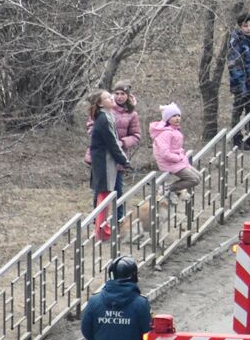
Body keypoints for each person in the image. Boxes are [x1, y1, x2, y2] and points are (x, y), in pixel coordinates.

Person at [84, 83, 141, 222]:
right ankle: (98, 221)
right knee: (101, 190)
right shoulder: (105, 113)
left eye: (123, 94)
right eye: (116, 94)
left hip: (118, 154)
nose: (119, 97)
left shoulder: (132, 114)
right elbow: (92, 124)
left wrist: (123, 142)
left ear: (128, 96)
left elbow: (136, 136)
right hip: (104, 156)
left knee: (117, 190)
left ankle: (118, 220)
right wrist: (98, 134)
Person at [88, 90, 130, 241]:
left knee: (105, 197)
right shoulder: (104, 118)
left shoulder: (107, 116)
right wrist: (124, 160)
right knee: (104, 198)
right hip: (103, 163)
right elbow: (112, 143)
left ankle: (102, 231)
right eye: (107, 97)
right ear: (100, 103)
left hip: (107, 162)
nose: (111, 98)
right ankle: (103, 232)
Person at [227, 14, 250, 146]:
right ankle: (236, 138)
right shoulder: (235, 42)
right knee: (238, 110)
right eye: (245, 26)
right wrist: (241, 85)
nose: (249, 29)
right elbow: (234, 65)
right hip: (241, 85)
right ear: (240, 26)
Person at [150, 103, 201, 198]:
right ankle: (167, 189)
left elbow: (176, 147)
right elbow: (164, 153)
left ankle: (176, 191)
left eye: (178, 115)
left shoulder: (175, 130)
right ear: (167, 118)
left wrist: (181, 155)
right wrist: (177, 157)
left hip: (179, 161)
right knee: (194, 179)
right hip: (170, 163)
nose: (177, 118)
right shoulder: (166, 133)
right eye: (174, 116)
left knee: (199, 176)